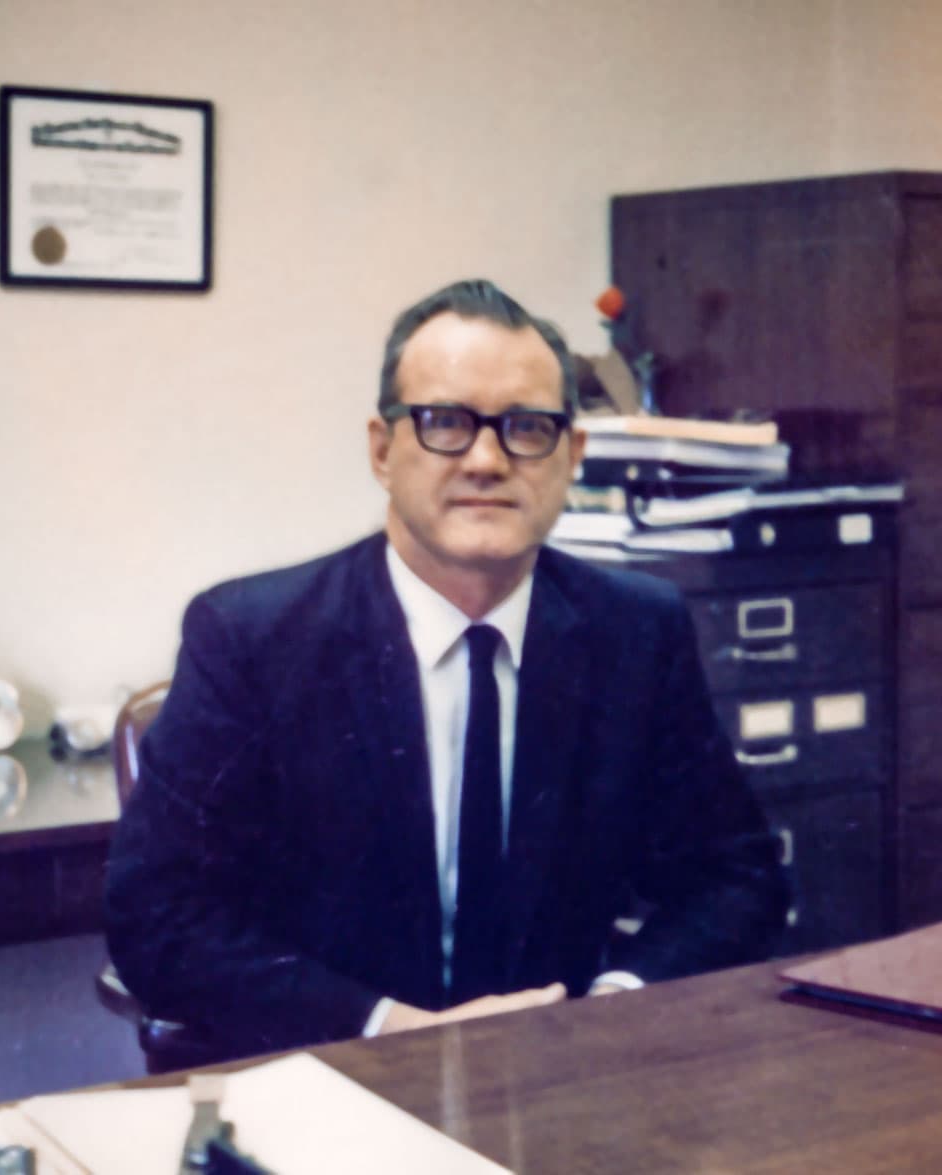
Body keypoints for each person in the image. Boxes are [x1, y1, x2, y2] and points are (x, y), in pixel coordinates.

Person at [105, 279, 789, 1061]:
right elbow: (156, 916)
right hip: (328, 1080)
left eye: (527, 427)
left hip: (562, 1081)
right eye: (444, 424)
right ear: (381, 449)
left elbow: (735, 879)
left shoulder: (636, 629)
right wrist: (388, 1029)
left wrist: (608, 1008)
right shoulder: (251, 637)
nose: (487, 459)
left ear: (572, 457)